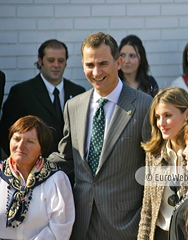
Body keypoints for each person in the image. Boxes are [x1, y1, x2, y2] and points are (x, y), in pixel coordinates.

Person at [47, 32, 152, 239]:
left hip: (126, 226)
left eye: (103, 63)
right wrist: (27, 166)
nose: (96, 72)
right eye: (89, 65)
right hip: (82, 223)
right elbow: (66, 158)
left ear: (118, 62)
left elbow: (153, 166)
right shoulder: (73, 106)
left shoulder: (144, 105)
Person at [0, 39, 85, 156]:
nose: (56, 65)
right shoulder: (21, 93)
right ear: (40, 61)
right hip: (34, 167)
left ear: (66, 63)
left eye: (61, 60)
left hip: (71, 168)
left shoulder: (78, 92)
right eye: (51, 60)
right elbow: (7, 134)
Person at [0, 115, 74, 239]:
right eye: (16, 139)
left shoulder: (55, 178)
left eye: (30, 141)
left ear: (41, 148)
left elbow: (60, 228)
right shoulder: (1, 174)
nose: (20, 146)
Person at [138, 87, 188, 240]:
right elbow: (148, 208)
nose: (161, 123)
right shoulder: (154, 154)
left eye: (167, 115)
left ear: (186, 114)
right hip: (160, 235)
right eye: (157, 117)